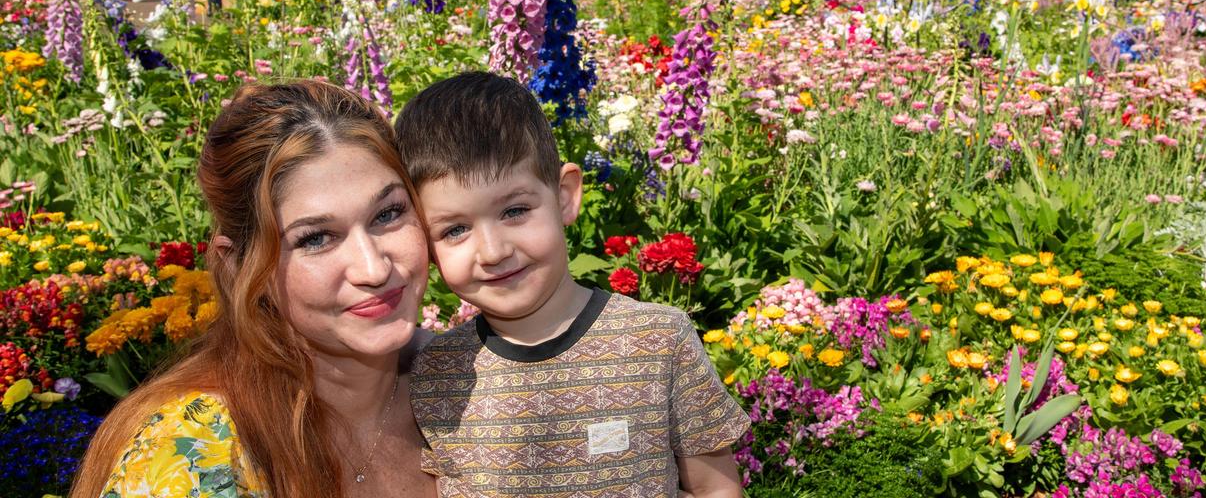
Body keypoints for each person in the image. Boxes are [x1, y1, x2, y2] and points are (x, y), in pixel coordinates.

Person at [70, 80, 436, 498]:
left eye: (388, 213)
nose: (373, 268)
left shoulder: (471, 389)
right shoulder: (194, 455)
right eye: (316, 238)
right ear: (239, 265)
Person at [397, 72, 749, 498]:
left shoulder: (658, 341)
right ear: (425, 245)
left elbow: (716, 489)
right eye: (454, 230)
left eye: (514, 211)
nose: (492, 251)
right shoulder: (434, 374)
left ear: (564, 196)